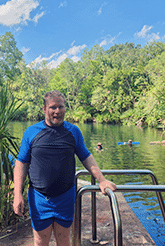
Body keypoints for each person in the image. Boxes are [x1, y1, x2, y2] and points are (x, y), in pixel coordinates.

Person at [13, 90, 116, 246]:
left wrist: (101, 180)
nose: (57, 111)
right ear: (44, 109)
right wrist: (17, 194)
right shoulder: (31, 132)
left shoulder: (73, 131)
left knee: (64, 241)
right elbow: (21, 163)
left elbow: (86, 157)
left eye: (61, 107)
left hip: (65, 197)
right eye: (53, 107)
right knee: (40, 242)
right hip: (39, 197)